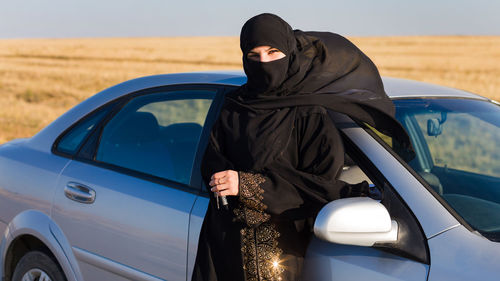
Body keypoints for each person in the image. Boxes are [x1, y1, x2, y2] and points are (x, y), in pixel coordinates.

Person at [191, 13, 412, 281]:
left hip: (281, 254)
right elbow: (212, 162)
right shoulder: (236, 105)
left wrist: (247, 185)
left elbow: (319, 187)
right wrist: (221, 179)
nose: (264, 63)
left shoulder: (308, 113)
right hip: (223, 245)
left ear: (289, 51)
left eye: (273, 53)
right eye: (254, 56)